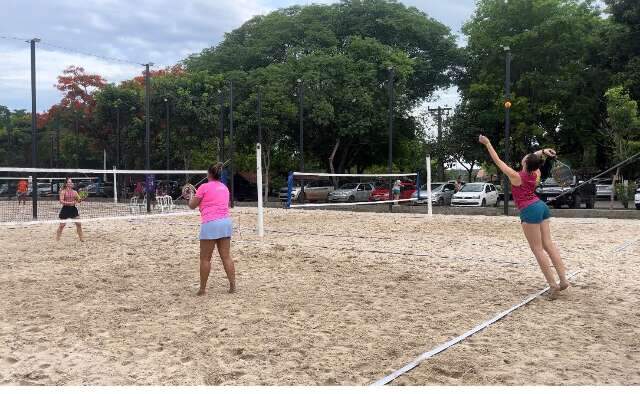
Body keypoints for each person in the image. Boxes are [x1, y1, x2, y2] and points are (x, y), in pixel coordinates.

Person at [478, 135, 570, 294]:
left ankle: (553, 285)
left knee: (537, 249)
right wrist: (543, 151)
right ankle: (563, 279)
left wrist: (487, 143)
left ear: (525, 163)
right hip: (541, 207)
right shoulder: (537, 173)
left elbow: (497, 160)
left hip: (530, 210)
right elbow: (532, 158)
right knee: (549, 244)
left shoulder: (516, 176)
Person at [187, 163, 236, 296]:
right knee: (226, 257)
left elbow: (192, 205)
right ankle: (232, 285)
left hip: (210, 224)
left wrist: (190, 195)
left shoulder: (203, 187)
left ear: (209, 174)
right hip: (225, 222)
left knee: (205, 259)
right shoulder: (225, 188)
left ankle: (202, 289)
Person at [56, 177, 84, 242]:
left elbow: (79, 200)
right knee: (62, 225)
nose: (71, 183)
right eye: (69, 182)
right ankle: (57, 239)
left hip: (73, 209)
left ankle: (81, 238)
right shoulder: (63, 191)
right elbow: (61, 201)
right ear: (66, 184)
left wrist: (80, 199)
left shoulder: (75, 192)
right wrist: (70, 203)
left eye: (71, 182)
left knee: (78, 224)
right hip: (65, 209)